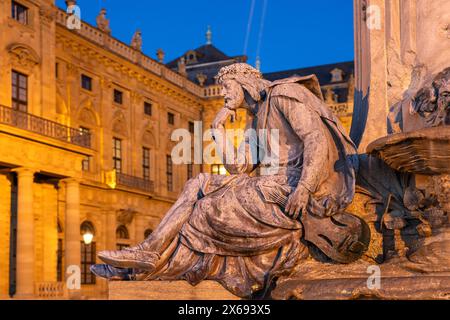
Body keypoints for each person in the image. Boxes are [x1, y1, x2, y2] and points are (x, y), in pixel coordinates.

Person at [92, 63, 361, 298]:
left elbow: (315, 138)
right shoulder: (255, 118)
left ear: (244, 82)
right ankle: (147, 253)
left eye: (226, 87)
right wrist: (217, 130)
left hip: (291, 189)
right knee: (196, 183)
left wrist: (304, 187)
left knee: (204, 211)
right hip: (269, 186)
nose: (223, 94)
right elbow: (239, 166)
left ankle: (140, 271)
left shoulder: (283, 94)